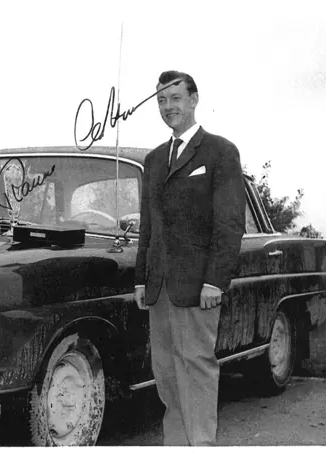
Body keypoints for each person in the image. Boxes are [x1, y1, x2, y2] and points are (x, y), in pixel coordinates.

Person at [133, 70, 246, 446]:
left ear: (194, 100)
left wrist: (216, 280)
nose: (168, 107)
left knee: (196, 368)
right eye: (162, 101)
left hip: (199, 285)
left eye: (175, 99)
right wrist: (140, 278)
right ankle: (177, 454)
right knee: (165, 373)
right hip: (158, 287)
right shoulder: (152, 160)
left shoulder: (220, 152)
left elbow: (230, 224)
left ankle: (202, 454)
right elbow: (148, 225)